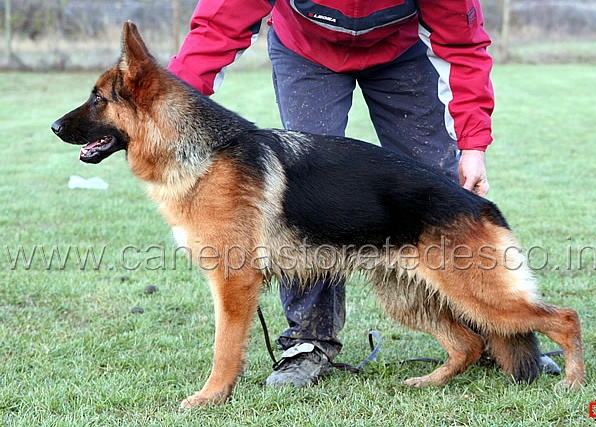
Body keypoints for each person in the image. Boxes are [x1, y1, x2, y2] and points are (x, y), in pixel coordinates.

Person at [168, 0, 493, 388]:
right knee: (303, 194)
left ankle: (493, 325)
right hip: (306, 51)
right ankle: (308, 342)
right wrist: (170, 105)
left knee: (439, 180)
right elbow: (218, 25)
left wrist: (473, 145)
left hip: (401, 51)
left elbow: (463, 41)